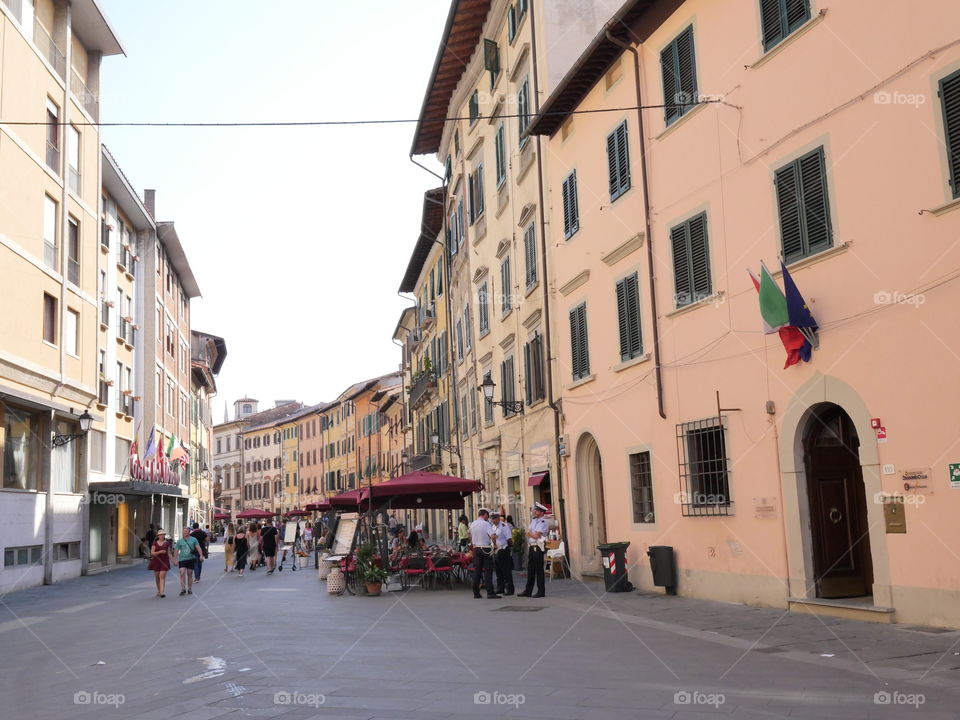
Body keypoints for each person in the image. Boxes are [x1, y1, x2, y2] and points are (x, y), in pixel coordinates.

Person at [518, 503, 550, 598]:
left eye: (536, 510)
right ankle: (528, 591)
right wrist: (531, 534)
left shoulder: (543, 522)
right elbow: (529, 532)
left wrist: (530, 534)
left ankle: (541, 591)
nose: (534, 512)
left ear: (541, 512)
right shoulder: (534, 521)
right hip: (532, 546)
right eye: (534, 510)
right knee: (530, 569)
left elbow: (536, 535)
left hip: (538, 547)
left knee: (539, 570)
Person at [469, 509, 500, 599]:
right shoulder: (486, 524)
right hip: (485, 548)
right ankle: (490, 592)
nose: (488, 517)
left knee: (477, 570)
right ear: (485, 514)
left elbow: (470, 536)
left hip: (477, 548)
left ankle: (476, 592)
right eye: (488, 515)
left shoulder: (473, 524)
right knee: (488, 570)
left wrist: (473, 545)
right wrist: (494, 544)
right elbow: (492, 536)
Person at [490, 511, 514, 596]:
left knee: (506, 571)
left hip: (503, 550)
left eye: (494, 519)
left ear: (498, 518)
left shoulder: (504, 526)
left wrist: (509, 547)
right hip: (496, 551)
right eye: (492, 519)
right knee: (498, 571)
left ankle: (510, 589)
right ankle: (501, 588)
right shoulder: (493, 527)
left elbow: (509, 539)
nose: (493, 520)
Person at [174, 527, 202, 596]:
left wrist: (201, 555)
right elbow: (176, 551)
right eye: (184, 531)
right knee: (182, 573)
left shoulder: (193, 539)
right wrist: (175, 559)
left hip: (191, 559)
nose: (185, 533)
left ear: (189, 532)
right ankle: (183, 589)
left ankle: (189, 588)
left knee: (190, 573)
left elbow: (198, 547)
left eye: (186, 531)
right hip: (182, 559)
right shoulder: (179, 541)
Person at [147, 528, 173, 597]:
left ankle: (162, 592)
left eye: (163, 535)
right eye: (160, 535)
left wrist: (173, 560)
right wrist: (159, 552)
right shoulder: (155, 543)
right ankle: (159, 590)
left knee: (162, 576)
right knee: (157, 576)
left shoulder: (167, 543)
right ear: (158, 536)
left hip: (165, 561)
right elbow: (152, 553)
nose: (162, 536)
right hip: (156, 561)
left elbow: (169, 553)